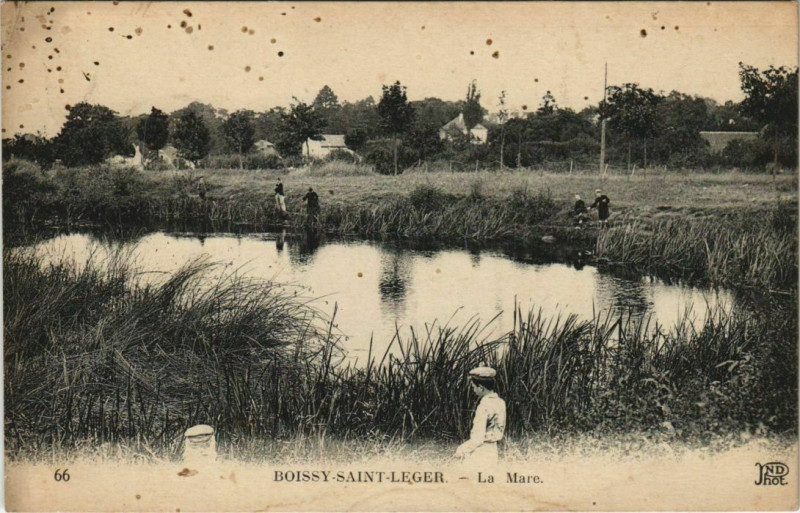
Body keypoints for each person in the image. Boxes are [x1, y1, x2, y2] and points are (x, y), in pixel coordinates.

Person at [455, 367, 506, 465]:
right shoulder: (500, 402)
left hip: (480, 453)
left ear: (481, 388)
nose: (473, 390)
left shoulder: (484, 405)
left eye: (473, 387)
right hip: (493, 451)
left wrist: (462, 449)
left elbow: (478, 438)